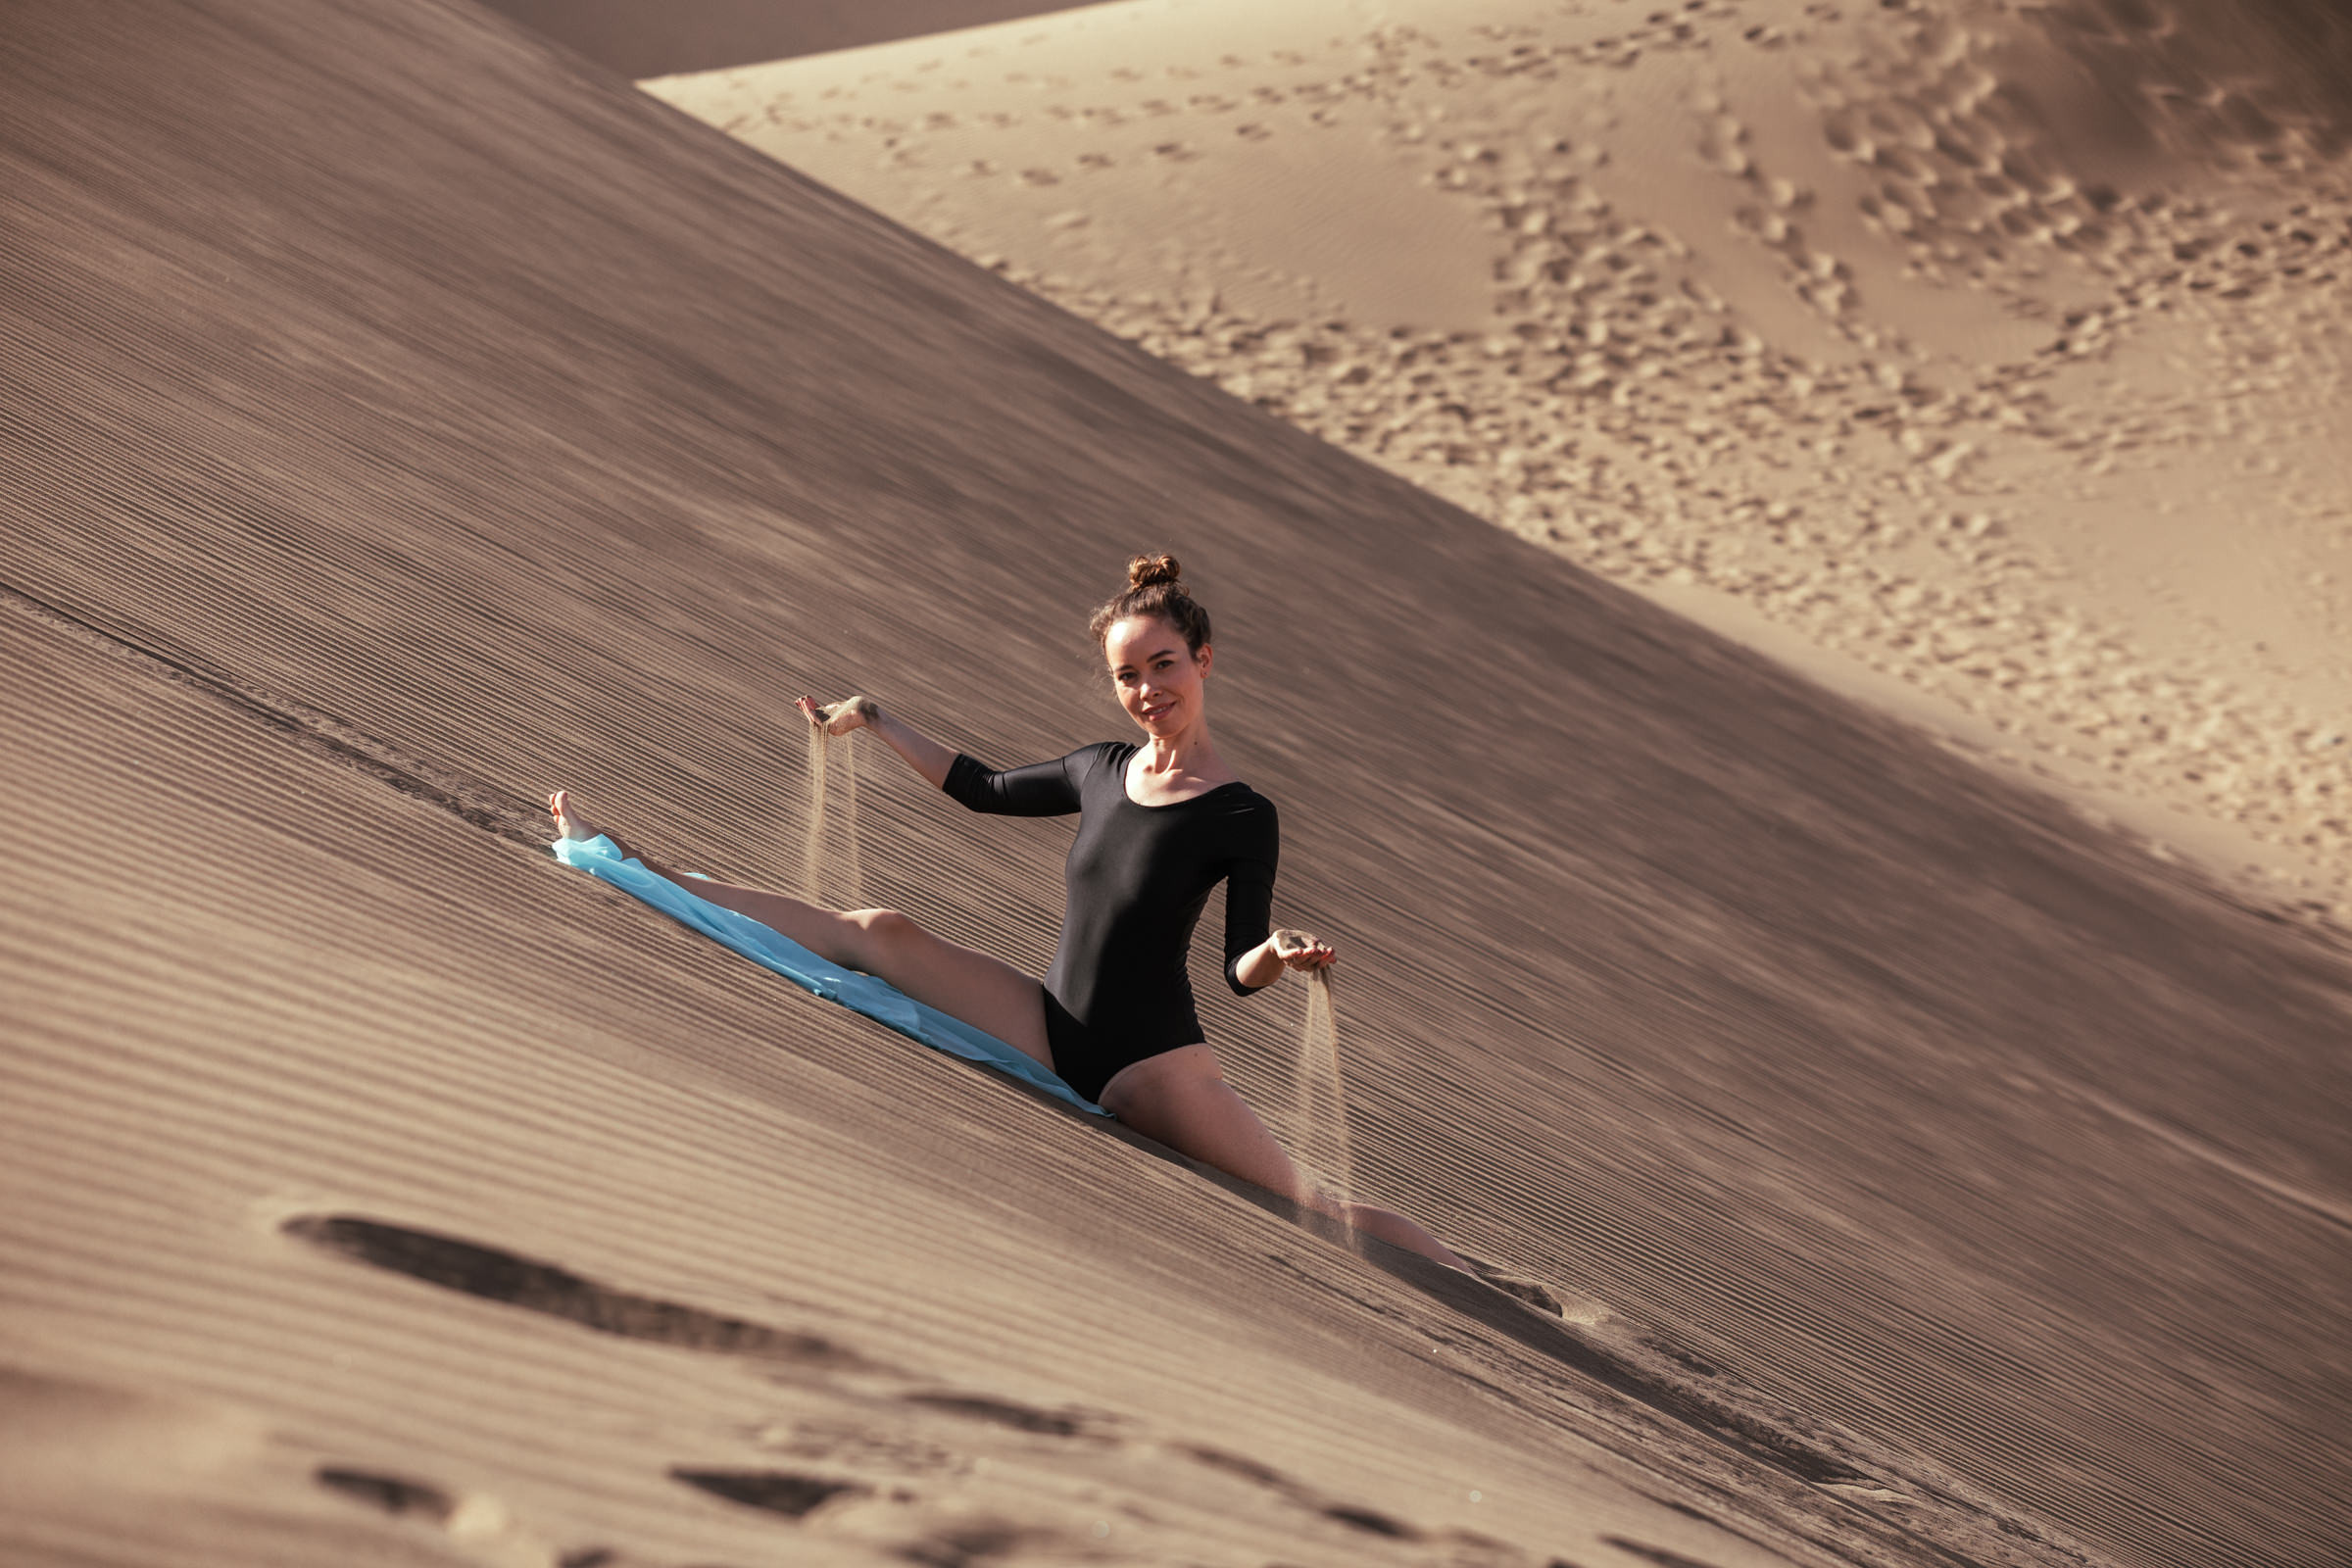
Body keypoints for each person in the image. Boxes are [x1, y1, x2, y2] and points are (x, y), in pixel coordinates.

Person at [550, 554, 1464, 1270]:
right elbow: (981, 787)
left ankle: (1460, 1277)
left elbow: (1238, 969)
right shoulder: (1101, 769)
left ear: (1204, 661)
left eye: (1164, 666)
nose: (1148, 690)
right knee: (876, 931)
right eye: (1127, 675)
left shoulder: (1240, 813)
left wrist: (1282, 951)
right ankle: (639, 864)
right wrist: (873, 718)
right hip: (1051, 1022)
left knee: (1316, 1210)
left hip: (1154, 1070)